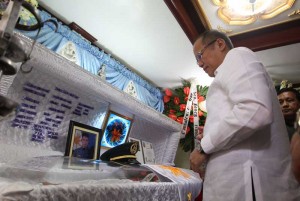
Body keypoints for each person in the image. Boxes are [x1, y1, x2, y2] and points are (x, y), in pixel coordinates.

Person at [189, 30, 300, 201]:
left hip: (249, 187)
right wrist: (211, 133)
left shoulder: (237, 56)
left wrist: (204, 146)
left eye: (199, 55)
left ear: (220, 44)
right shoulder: (225, 73)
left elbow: (254, 109)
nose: (199, 63)